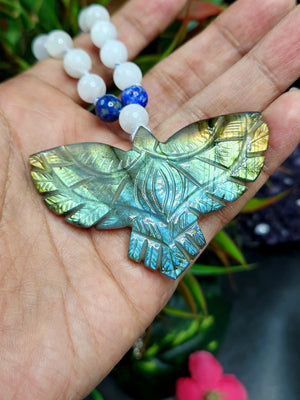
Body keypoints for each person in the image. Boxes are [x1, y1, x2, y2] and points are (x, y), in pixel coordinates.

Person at [0, 0, 299, 398]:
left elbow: (57, 173)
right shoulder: (184, 148)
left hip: (147, 229)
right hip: (180, 212)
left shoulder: (100, 164)